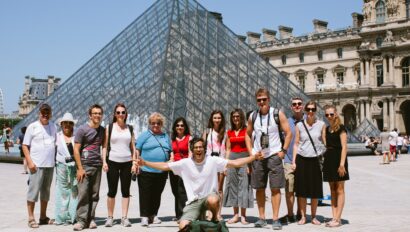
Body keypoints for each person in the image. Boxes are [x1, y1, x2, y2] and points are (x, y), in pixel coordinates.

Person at [136, 137, 264, 231]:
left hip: (209, 198)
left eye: (201, 147)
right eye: (196, 147)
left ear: (204, 149)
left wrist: (254, 157)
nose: (198, 149)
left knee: (213, 199)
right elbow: (165, 166)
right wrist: (146, 163)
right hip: (193, 202)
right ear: (192, 150)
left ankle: (213, 218)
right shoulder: (185, 163)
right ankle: (201, 221)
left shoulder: (213, 160)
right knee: (183, 226)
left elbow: (235, 163)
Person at [245, 88, 292, 230]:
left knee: (275, 188)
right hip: (259, 157)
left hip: (274, 156)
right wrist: (251, 153)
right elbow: (247, 135)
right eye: (259, 100)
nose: (261, 102)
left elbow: (288, 133)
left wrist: (283, 151)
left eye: (264, 99)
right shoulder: (253, 116)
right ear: (256, 101)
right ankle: (262, 217)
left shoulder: (277, 114)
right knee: (259, 189)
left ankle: (276, 218)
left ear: (269, 99)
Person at [22, 103, 57, 228]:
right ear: (39, 113)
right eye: (43, 112)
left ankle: (43, 217)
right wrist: (30, 162)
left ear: (50, 114)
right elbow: (25, 146)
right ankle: (31, 218)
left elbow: (57, 144)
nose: (45, 115)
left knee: (45, 193)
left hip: (50, 165)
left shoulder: (53, 126)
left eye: (47, 112)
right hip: (36, 165)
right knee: (33, 192)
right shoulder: (32, 127)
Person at [135, 112, 173, 226]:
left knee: (157, 194)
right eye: (153, 123)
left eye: (158, 123)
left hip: (161, 170)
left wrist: (171, 158)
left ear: (161, 124)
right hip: (146, 169)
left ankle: (153, 214)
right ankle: (144, 216)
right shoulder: (145, 135)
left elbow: (170, 150)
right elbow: (137, 150)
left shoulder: (165, 136)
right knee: (145, 194)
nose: (155, 125)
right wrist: (136, 163)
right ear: (149, 124)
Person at [292, 101, 326, 226]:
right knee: (302, 190)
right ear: (305, 111)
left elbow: (324, 142)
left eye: (313, 109)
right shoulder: (300, 125)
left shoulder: (321, 124)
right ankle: (303, 216)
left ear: (316, 110)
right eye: (308, 109)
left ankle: (313, 216)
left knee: (315, 190)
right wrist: (294, 161)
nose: (310, 112)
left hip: (315, 159)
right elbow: (296, 144)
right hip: (302, 159)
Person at [102, 103, 136, 227]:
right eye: (118, 112)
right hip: (112, 162)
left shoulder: (130, 128)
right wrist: (104, 162)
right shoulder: (109, 127)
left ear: (126, 114)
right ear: (114, 114)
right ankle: (110, 217)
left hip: (127, 162)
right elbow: (105, 146)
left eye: (123, 112)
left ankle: (124, 217)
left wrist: (134, 163)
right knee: (112, 191)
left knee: (125, 191)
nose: (121, 114)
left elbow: (133, 148)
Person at [73, 104, 105, 231]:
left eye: (99, 113)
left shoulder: (103, 130)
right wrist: (79, 168)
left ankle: (91, 218)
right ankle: (81, 220)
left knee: (94, 194)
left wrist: (104, 162)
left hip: (97, 165)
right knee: (83, 194)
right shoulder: (82, 129)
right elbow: (76, 150)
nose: (97, 115)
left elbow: (104, 147)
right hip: (85, 165)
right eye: (95, 113)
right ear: (90, 115)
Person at [223, 109, 253, 225]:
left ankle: (243, 216)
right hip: (232, 159)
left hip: (244, 159)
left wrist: (249, 164)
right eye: (234, 116)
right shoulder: (229, 132)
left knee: (244, 187)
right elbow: (228, 149)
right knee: (233, 186)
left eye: (238, 116)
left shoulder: (246, 131)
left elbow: (249, 148)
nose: (236, 118)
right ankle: (235, 215)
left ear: (241, 118)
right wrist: (225, 164)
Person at [322, 105, 350, 228]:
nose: (329, 116)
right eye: (327, 114)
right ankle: (334, 217)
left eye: (331, 114)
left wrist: (342, 164)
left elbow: (344, 147)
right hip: (329, 159)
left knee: (340, 189)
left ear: (336, 114)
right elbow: (324, 144)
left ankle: (338, 219)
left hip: (339, 159)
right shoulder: (326, 129)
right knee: (332, 189)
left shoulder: (341, 128)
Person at [54, 112, 78, 225]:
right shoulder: (56, 136)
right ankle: (61, 216)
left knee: (74, 190)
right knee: (62, 191)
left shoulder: (77, 136)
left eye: (70, 123)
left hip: (74, 167)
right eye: (65, 123)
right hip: (62, 166)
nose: (67, 125)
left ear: (73, 124)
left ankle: (73, 216)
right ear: (61, 124)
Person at [202, 110, 226, 220]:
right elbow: (201, 148)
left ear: (222, 119)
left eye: (219, 118)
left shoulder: (225, 133)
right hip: (209, 163)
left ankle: (218, 213)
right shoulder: (207, 132)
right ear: (211, 119)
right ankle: (210, 212)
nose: (217, 120)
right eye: (215, 118)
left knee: (219, 189)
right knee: (209, 189)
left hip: (220, 162)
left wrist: (225, 164)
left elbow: (227, 148)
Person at [284, 97, 304, 223]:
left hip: (304, 159)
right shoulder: (286, 122)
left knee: (302, 189)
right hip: (289, 159)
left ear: (302, 106)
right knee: (289, 188)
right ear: (291, 107)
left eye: (299, 104)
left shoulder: (309, 120)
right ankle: (290, 214)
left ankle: (300, 214)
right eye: (294, 104)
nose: (297, 106)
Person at [169, 117, 191, 222]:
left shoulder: (189, 138)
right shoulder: (172, 139)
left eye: (182, 125)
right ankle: (178, 214)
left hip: (185, 168)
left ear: (185, 127)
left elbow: (190, 154)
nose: (180, 127)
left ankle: (183, 215)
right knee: (175, 191)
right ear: (175, 127)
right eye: (177, 125)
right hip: (174, 168)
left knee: (183, 191)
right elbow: (171, 153)